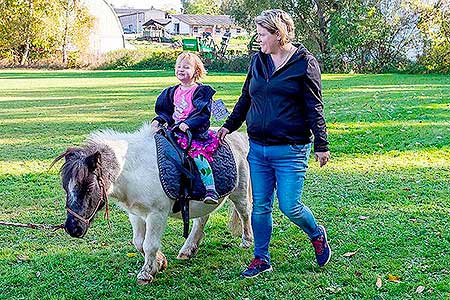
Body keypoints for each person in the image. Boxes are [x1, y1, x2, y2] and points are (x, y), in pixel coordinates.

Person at [217, 9, 331, 278]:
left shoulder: (305, 62)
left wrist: (322, 144)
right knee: (261, 206)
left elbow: (314, 106)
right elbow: (246, 97)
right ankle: (261, 258)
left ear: (279, 35)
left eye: (262, 34)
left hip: (291, 148)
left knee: (289, 205)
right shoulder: (258, 60)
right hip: (257, 148)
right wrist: (229, 126)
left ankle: (316, 234)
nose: (259, 40)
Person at [152, 52, 220, 204]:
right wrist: (159, 120)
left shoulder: (200, 92)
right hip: (174, 131)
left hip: (193, 134)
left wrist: (188, 123)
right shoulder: (172, 91)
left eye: (186, 67)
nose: (181, 69)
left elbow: (202, 113)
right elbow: (167, 112)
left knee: (198, 156)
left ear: (196, 71)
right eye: (178, 66)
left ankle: (211, 189)